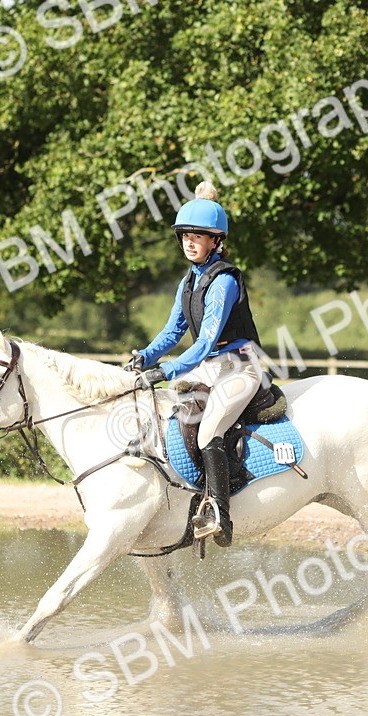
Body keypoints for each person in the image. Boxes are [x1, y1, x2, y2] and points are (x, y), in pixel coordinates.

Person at [128, 181, 264, 547]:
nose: (190, 241)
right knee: (166, 411)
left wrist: (167, 370)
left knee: (208, 432)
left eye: (198, 236)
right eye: (186, 235)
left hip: (239, 368)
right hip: (210, 368)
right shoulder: (189, 280)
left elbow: (204, 342)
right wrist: (145, 357)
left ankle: (220, 515)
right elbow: (173, 331)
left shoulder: (224, 281)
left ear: (215, 241)